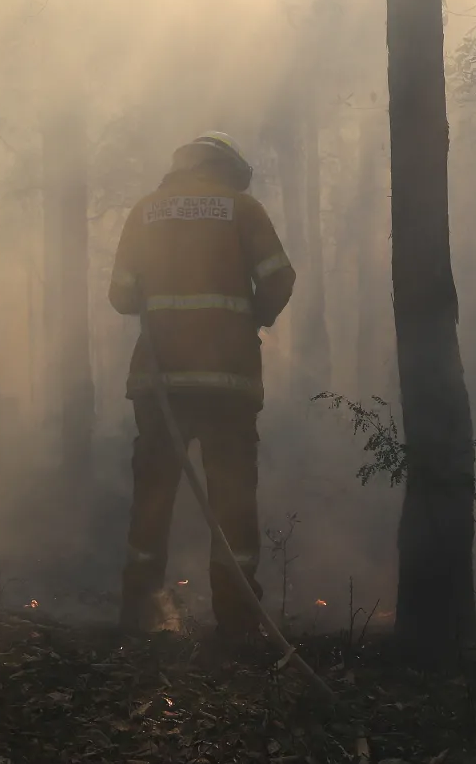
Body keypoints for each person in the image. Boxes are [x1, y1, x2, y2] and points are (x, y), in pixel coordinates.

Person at [108, 131, 297, 639]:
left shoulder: (146, 211)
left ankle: (140, 613)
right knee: (232, 498)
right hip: (227, 384)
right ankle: (237, 619)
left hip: (159, 383)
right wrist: (248, 320)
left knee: (153, 496)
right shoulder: (242, 208)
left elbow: (122, 296)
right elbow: (280, 278)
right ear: (228, 168)